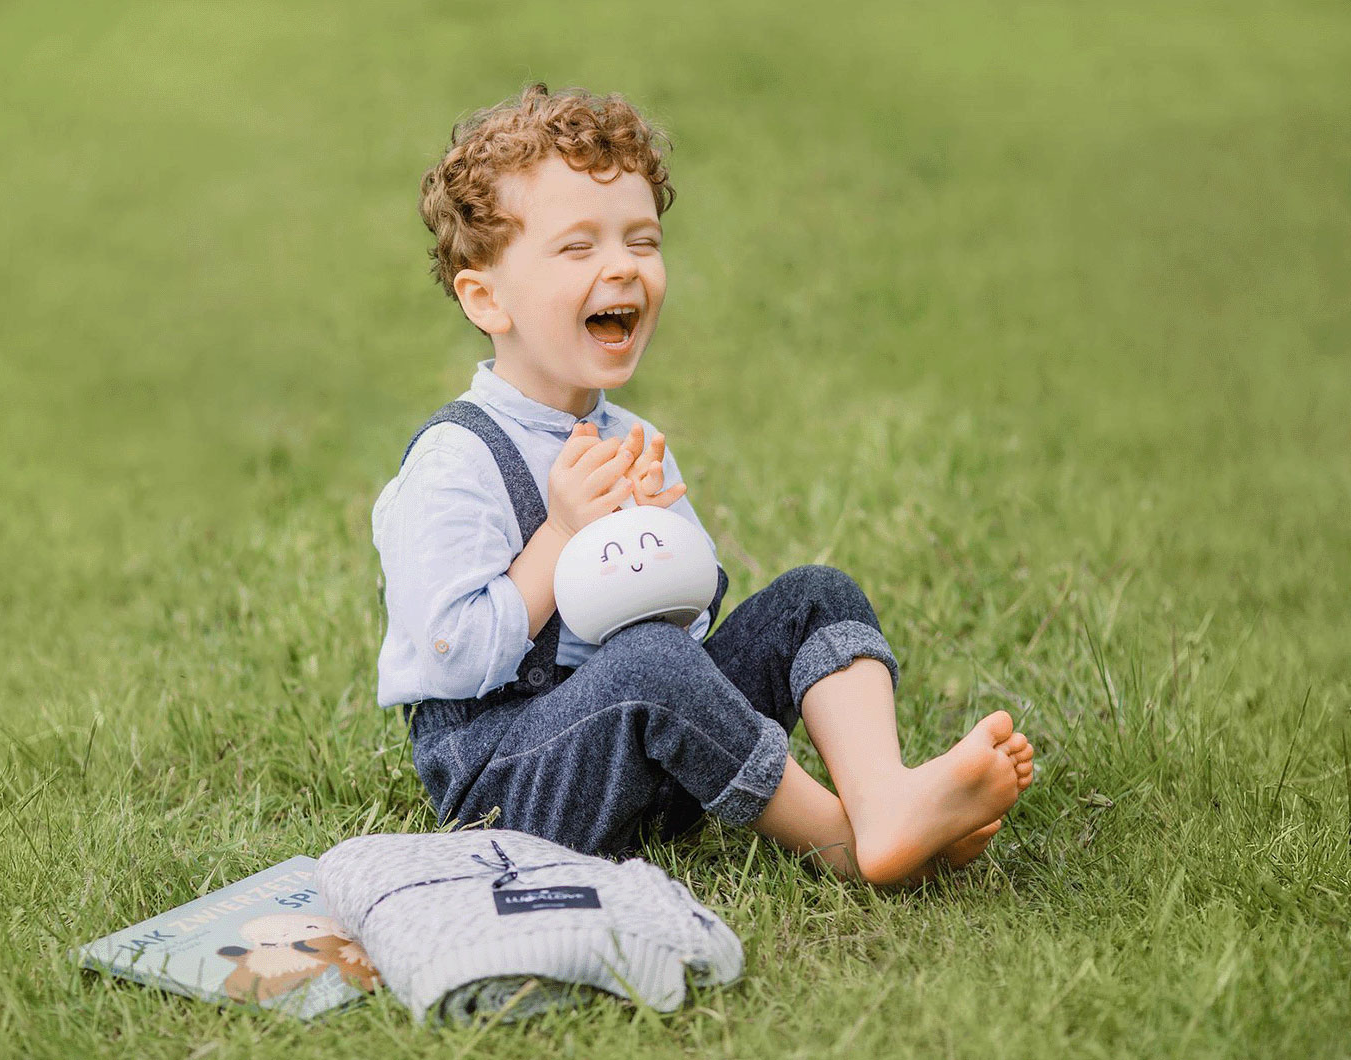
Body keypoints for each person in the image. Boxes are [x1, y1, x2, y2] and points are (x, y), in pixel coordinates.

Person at [370, 83, 1034, 885]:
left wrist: (660, 544)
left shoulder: (631, 440)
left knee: (814, 595)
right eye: (578, 249)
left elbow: (690, 640)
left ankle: (886, 797)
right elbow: (449, 656)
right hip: (512, 785)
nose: (621, 267)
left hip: (651, 765)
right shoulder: (456, 459)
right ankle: (849, 846)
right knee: (648, 662)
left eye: (642, 242)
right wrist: (558, 537)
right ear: (487, 298)